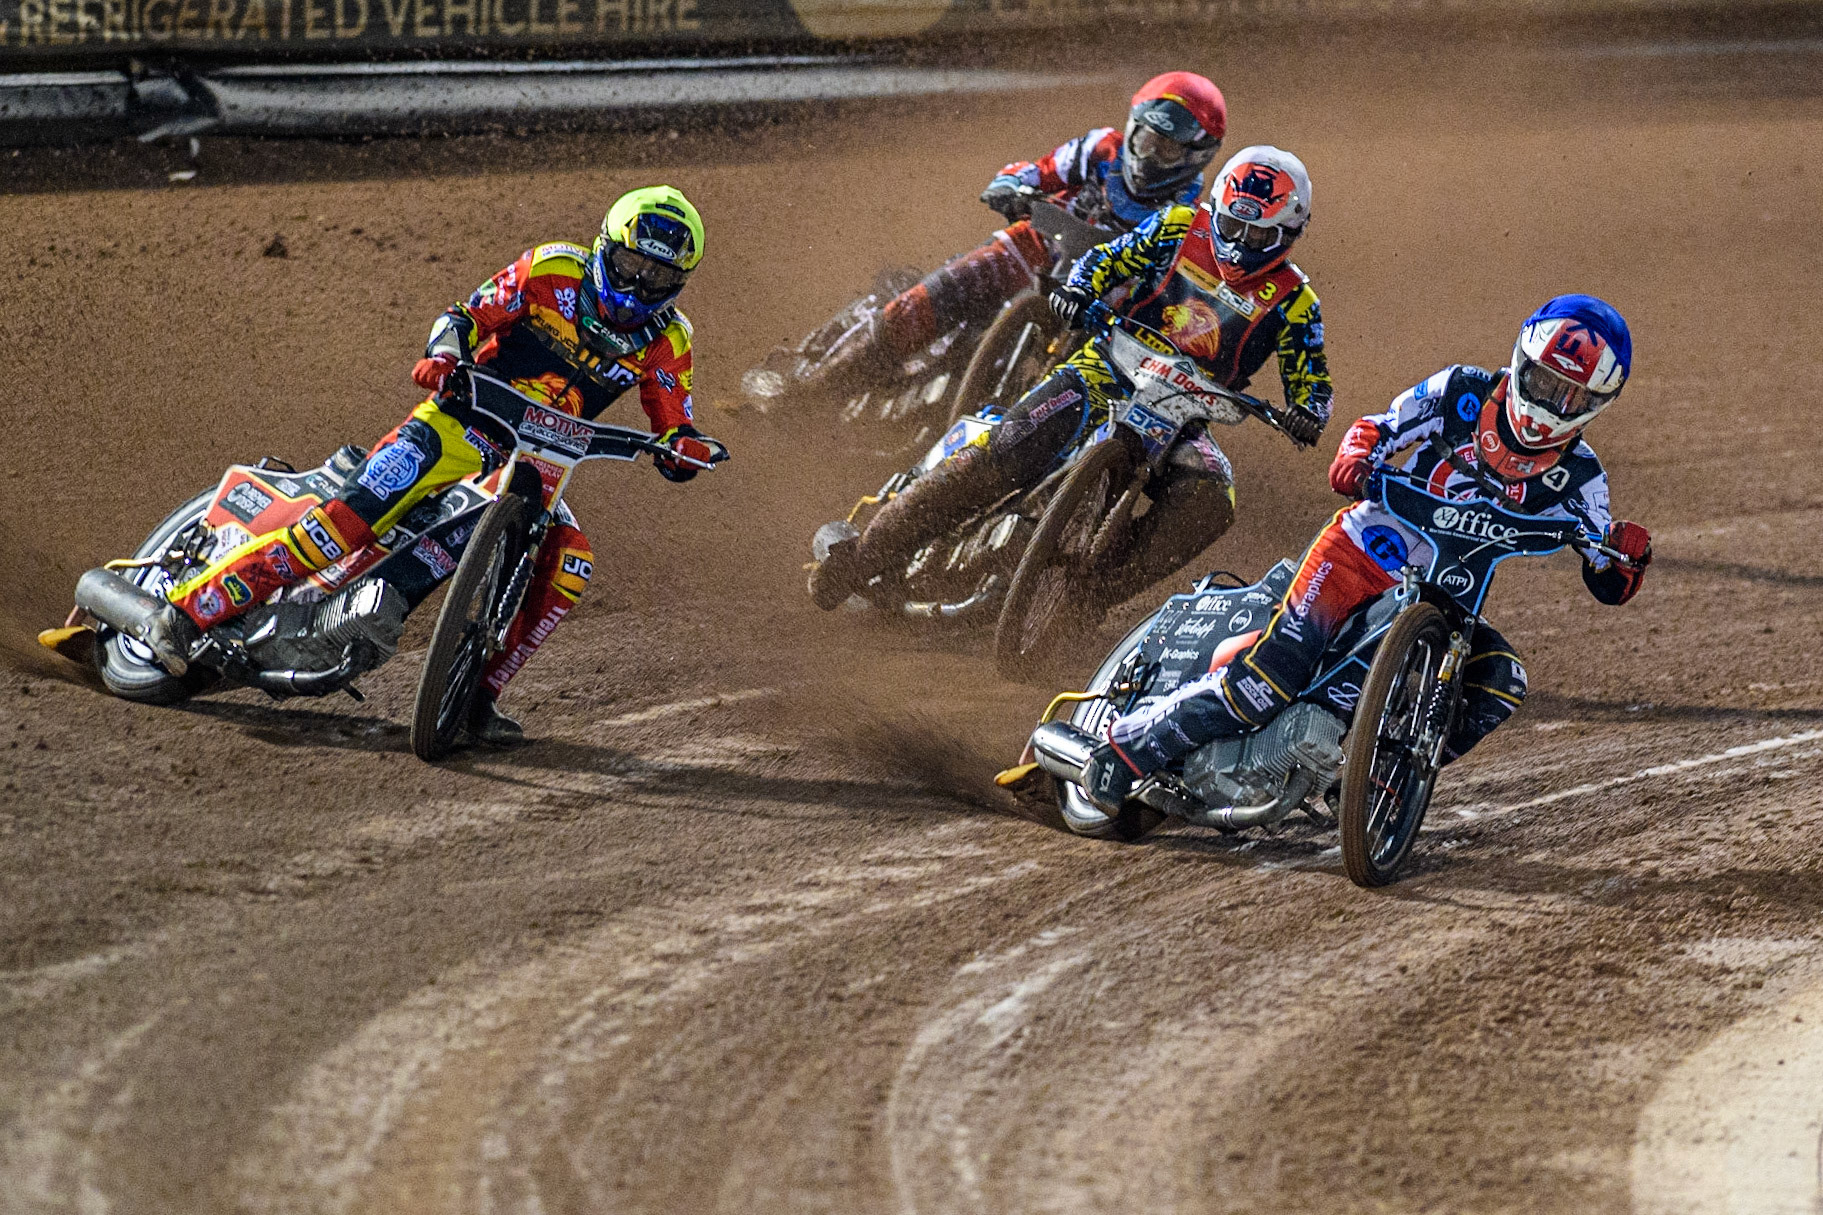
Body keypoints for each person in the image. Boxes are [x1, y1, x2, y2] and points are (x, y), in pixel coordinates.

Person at [144, 186, 727, 743]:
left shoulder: (670, 339)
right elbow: (466, 316)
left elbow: (675, 425)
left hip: (541, 463)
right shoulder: (553, 269)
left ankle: (477, 695)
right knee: (342, 527)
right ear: (605, 246)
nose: (640, 283)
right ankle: (189, 611)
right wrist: (445, 353)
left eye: (660, 276)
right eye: (630, 264)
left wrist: (686, 449)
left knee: (570, 565)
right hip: (457, 423)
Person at [1077, 294, 1653, 811]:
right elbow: (1379, 426)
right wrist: (1357, 456)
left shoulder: (1583, 479)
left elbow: (1606, 570)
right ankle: (1128, 749)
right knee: (1267, 680)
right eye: (1544, 380)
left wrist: (1626, 558)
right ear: (1521, 360)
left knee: (1500, 682)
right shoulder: (1460, 391)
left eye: (1571, 394)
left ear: (1596, 403)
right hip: (1361, 552)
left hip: (1449, 598)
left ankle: (1373, 781)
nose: (1551, 401)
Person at [809, 145, 1332, 610]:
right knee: (1006, 445)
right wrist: (1079, 290)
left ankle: (1089, 597)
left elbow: (1312, 379)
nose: (1238, 244)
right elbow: (1108, 258)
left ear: (1290, 233)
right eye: (1231, 226)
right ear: (1215, 208)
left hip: (1186, 413)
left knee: (1212, 501)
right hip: (1106, 367)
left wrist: (1308, 413)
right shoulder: (1177, 225)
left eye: (1257, 234)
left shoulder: (1296, 302)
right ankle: (864, 555)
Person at [813, 71, 1228, 392]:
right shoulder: (1103, 148)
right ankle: (822, 384)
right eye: (1146, 138)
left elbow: (1184, 285)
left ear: (1196, 156)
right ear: (1132, 126)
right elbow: (1042, 170)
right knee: (938, 294)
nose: (1149, 155)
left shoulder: (1192, 216)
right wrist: (1012, 184)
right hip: (1039, 247)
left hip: (1103, 294)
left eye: (1167, 148)